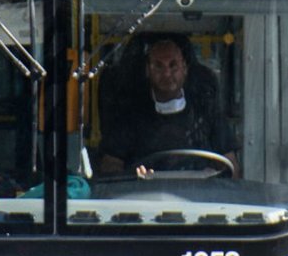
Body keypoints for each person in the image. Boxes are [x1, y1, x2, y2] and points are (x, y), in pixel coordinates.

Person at [97, 36, 238, 177]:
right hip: (145, 190)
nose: (166, 73)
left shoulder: (207, 112)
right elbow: (110, 165)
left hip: (200, 189)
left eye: (173, 65)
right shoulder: (129, 116)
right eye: (158, 66)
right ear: (148, 70)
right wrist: (131, 176)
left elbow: (231, 167)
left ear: (184, 69)